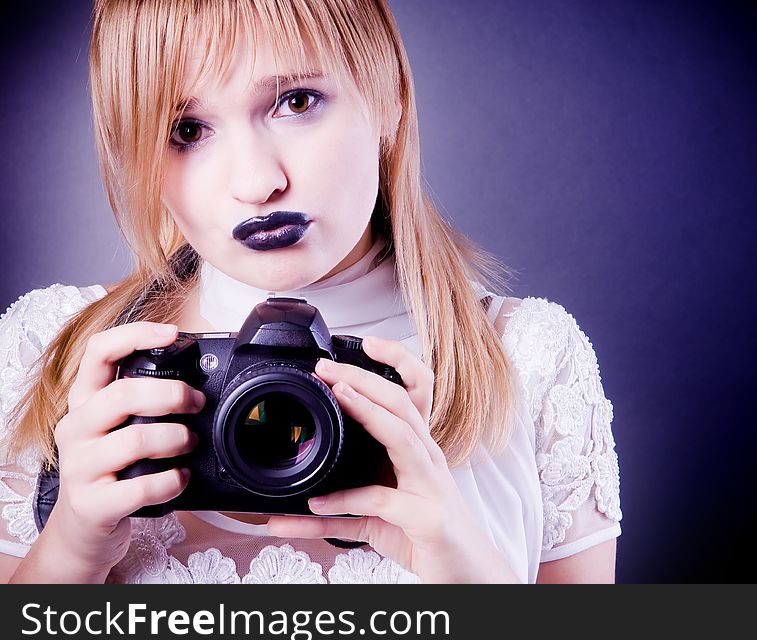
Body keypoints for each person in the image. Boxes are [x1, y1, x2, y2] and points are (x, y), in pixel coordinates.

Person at [0, 0, 621, 584]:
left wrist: (466, 574)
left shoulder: (530, 361)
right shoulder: (54, 350)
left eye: (297, 101)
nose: (255, 182)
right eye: (186, 130)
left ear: (389, 97)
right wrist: (70, 549)